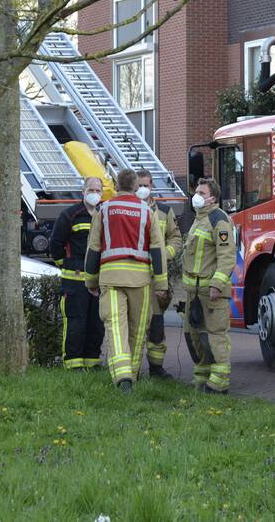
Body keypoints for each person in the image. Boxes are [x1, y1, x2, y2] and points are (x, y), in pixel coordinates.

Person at [84, 168, 168, 393]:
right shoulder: (147, 211)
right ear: (135, 187)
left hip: (110, 278)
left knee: (115, 327)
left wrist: (90, 280)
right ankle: (132, 374)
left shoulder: (103, 209)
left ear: (116, 186)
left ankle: (123, 378)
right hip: (140, 280)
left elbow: (94, 247)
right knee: (137, 330)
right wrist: (161, 284)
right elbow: (158, 249)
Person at [182, 178, 236, 394]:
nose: (196, 196)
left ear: (212, 198)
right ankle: (202, 377)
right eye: (196, 192)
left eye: (202, 193)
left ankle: (219, 382)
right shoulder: (199, 219)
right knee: (193, 335)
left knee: (215, 335)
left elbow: (227, 256)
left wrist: (217, 284)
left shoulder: (218, 220)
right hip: (194, 292)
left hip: (212, 292)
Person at [49, 176, 105, 370]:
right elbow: (55, 243)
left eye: (98, 190)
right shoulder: (70, 215)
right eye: (91, 190)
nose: (94, 194)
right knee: (76, 321)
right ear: (83, 191)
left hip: (98, 280)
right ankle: (73, 363)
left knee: (96, 323)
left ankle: (92, 361)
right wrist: (66, 264)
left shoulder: (104, 215)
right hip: (75, 280)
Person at [135, 169, 183, 379]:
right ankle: (132, 370)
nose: (142, 189)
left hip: (157, 277)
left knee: (156, 324)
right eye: (138, 186)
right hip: (135, 276)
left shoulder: (164, 211)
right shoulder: (128, 210)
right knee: (134, 324)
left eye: (145, 185)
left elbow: (176, 238)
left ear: (152, 186)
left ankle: (156, 368)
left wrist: (164, 255)